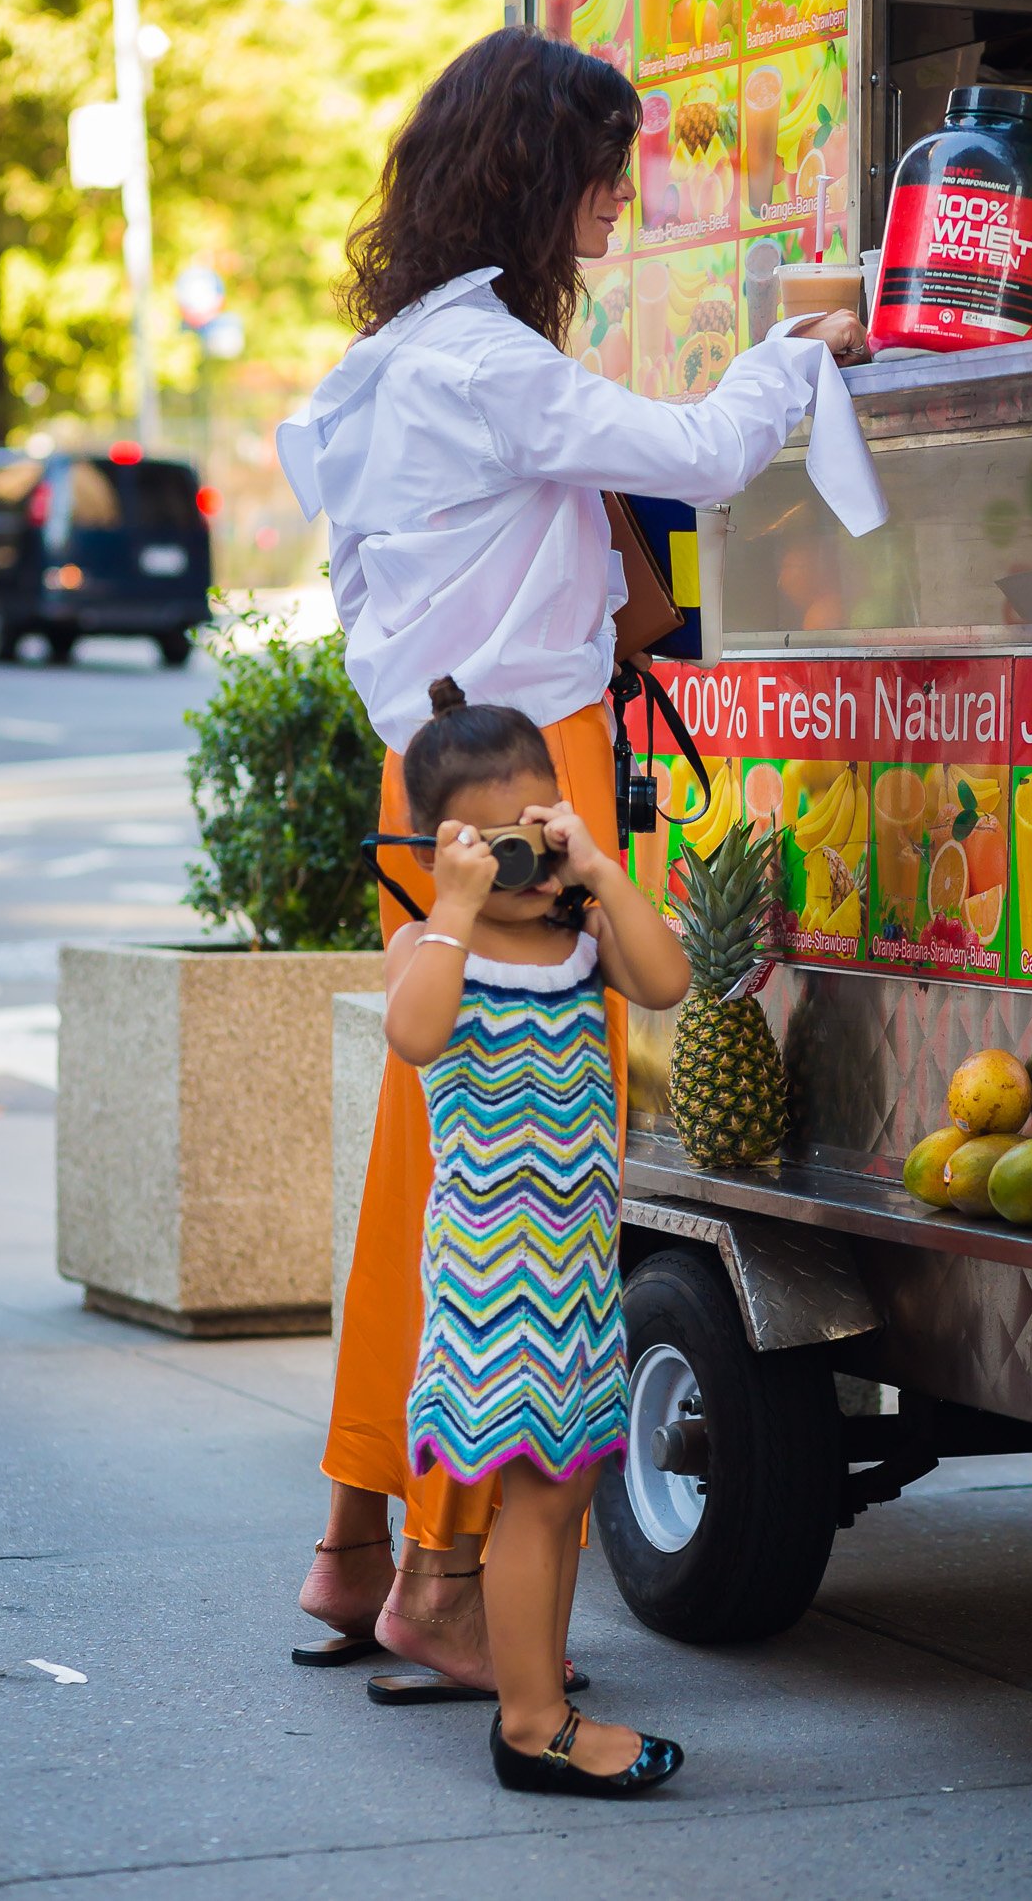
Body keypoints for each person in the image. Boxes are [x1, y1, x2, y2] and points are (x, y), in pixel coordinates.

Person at [277, 23, 885, 1694]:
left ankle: (356, 1546)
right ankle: (443, 1585)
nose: (622, 196)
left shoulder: (401, 358)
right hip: (535, 797)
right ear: (532, 177)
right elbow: (695, 457)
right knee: (520, 1189)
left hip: (451, 783)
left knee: (430, 1171)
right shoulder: (483, 366)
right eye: (604, 165)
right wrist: (796, 344)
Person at [383, 676, 690, 1791]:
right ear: (443, 851)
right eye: (493, 846)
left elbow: (668, 978)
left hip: (572, 1267)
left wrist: (601, 869)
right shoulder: (432, 947)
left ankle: (538, 1705)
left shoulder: (579, 935)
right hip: (490, 1275)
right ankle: (531, 1723)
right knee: (537, 1494)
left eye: (536, 833)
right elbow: (414, 1038)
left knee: (560, 1490)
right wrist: (457, 908)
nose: (525, 864)